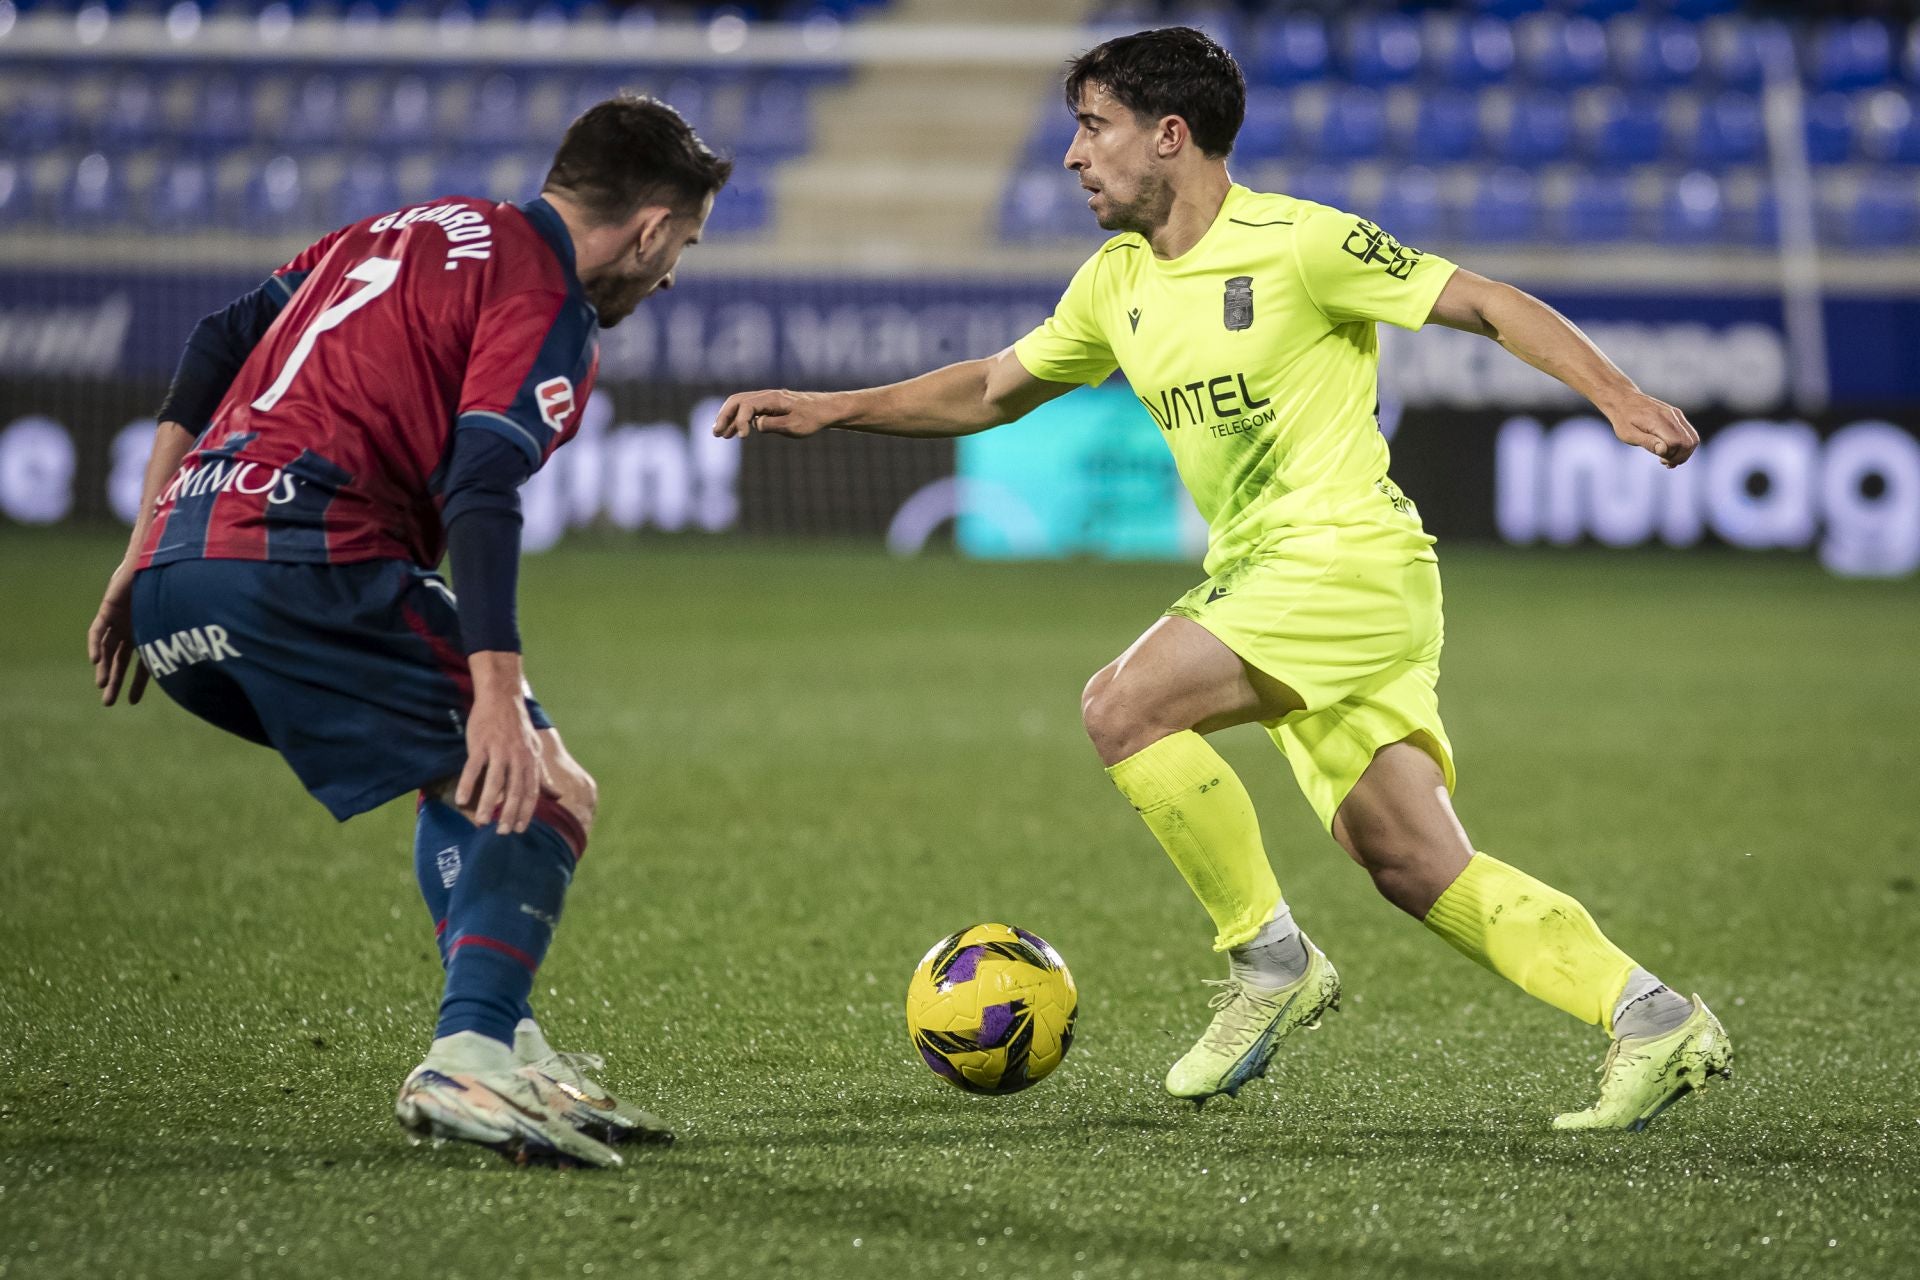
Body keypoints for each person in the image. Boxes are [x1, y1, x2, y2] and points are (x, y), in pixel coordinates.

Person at [715, 28, 1731, 1131]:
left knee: (1124, 702)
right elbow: (995, 387)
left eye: (1093, 126)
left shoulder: (1299, 241)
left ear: (1170, 134)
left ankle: (1271, 959)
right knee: (1411, 860)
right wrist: (831, 407)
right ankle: (1651, 1014)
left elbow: (1483, 300)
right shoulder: (1114, 283)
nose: (1071, 156)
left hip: (1344, 560)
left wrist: (1617, 394)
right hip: (1284, 581)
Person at [86, 94, 728, 1168]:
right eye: (684, 249)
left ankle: (507, 1040)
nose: (670, 279)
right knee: (543, 783)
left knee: (468, 780)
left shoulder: (402, 226)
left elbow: (216, 338)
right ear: (653, 225)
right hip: (302, 565)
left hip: (174, 587)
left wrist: (142, 544)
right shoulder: (546, 297)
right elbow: (482, 482)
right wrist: (496, 687)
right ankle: (469, 1045)